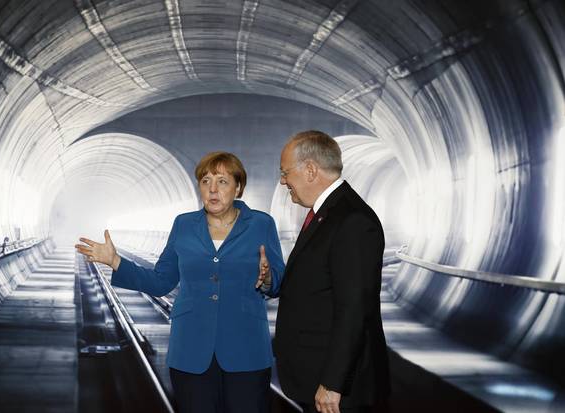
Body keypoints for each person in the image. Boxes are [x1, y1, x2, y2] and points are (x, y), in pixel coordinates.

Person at [75, 151, 285, 413]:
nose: (212, 189)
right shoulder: (184, 225)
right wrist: (116, 261)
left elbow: (278, 282)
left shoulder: (261, 224)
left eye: (222, 181)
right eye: (205, 181)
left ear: (238, 187)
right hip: (191, 350)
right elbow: (161, 280)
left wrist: (266, 280)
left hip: (246, 349)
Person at [273, 131, 390, 413]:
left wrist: (333, 382)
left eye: (285, 172)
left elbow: (353, 309)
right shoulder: (327, 214)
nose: (282, 180)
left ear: (311, 170)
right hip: (314, 376)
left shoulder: (352, 220)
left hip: (335, 391)